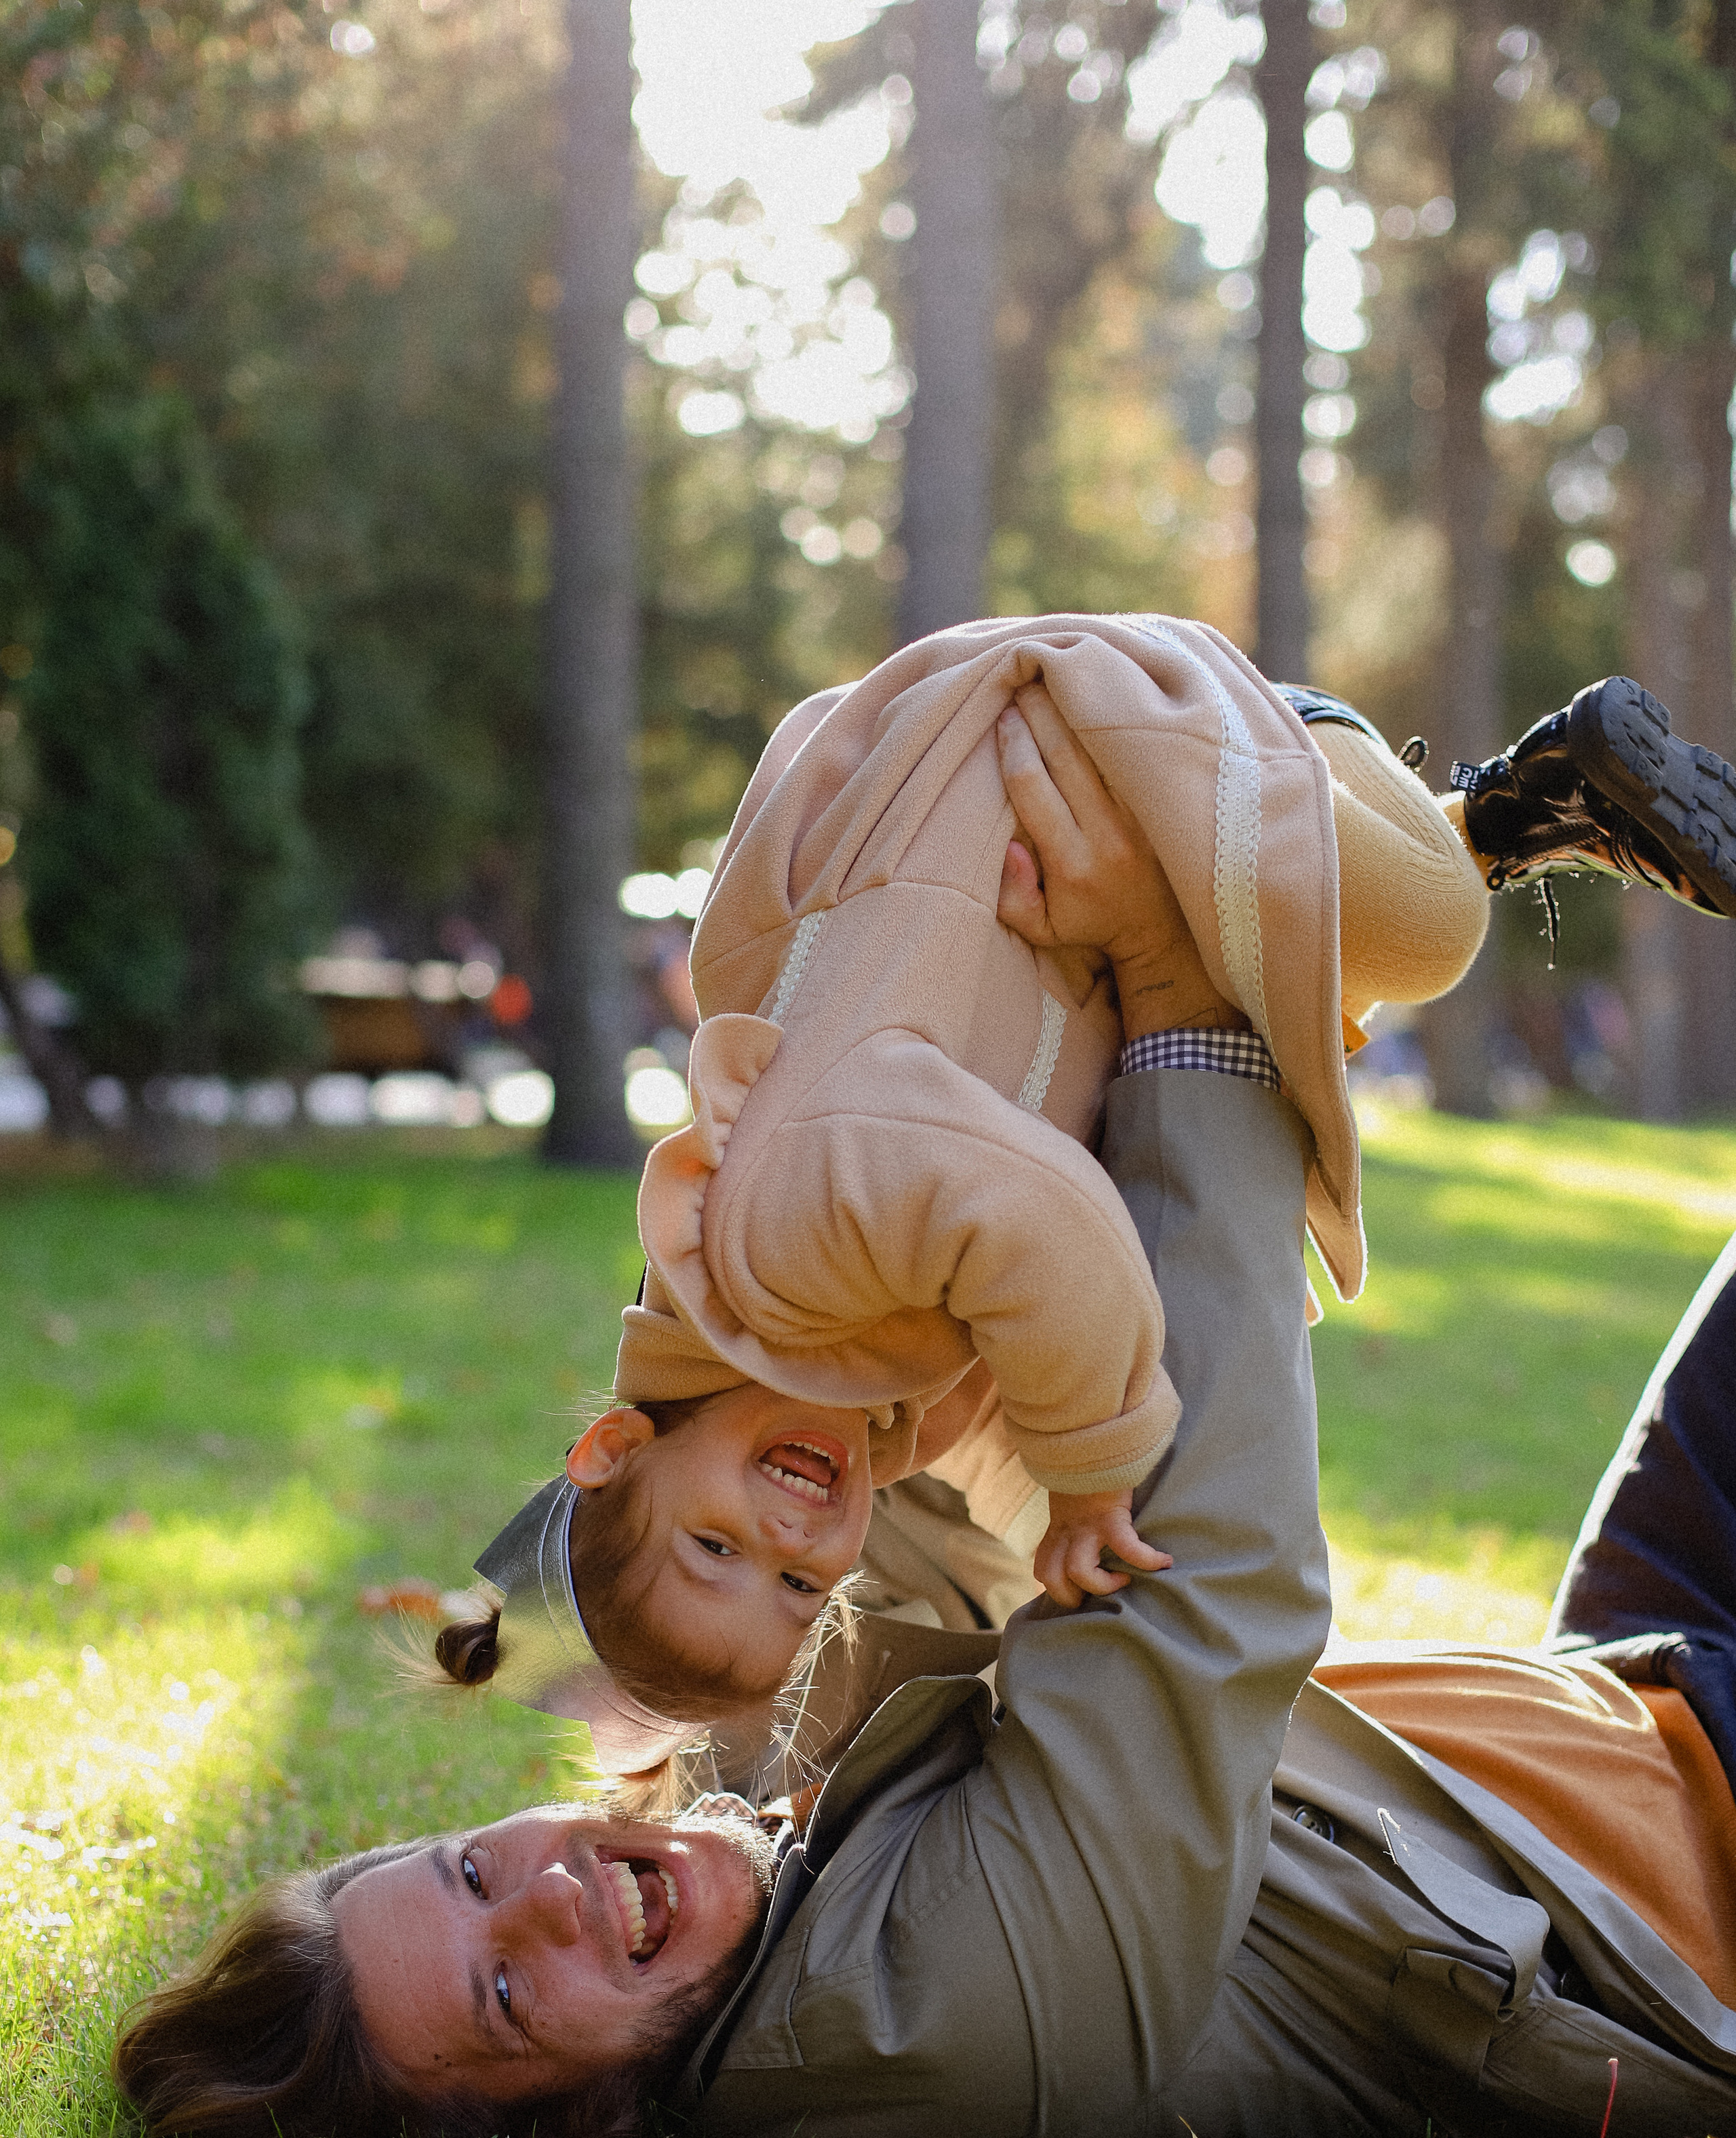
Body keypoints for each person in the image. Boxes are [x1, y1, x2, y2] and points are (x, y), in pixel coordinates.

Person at [113, 683, 1736, 2138]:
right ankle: (1349, 825)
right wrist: (1178, 985)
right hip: (1685, 1884)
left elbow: (776, 1480)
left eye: (470, 1872)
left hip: (1605, 1690)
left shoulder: (734, 1852)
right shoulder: (921, 2018)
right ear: (579, 2123)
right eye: (504, 1999)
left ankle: (1383, 826)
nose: (550, 1895)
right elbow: (1204, 1595)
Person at [436, 631, 1736, 1761]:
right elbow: (1014, 1410)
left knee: (1428, 927)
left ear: (613, 1449)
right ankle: (1482, 808)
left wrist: (1091, 1476)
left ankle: (1397, 778)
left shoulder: (773, 1250)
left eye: (716, 1545)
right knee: (1341, 953)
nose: (788, 1534)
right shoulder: (852, 1386)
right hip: (1063, 838)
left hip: (1066, 755)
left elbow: (1034, 1226)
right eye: (791, 1588)